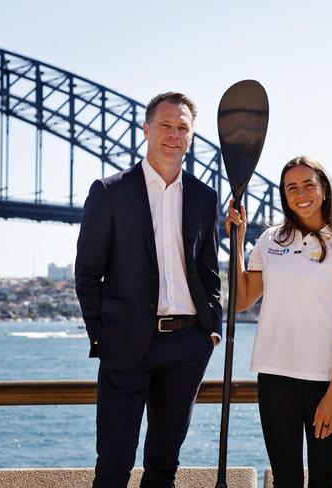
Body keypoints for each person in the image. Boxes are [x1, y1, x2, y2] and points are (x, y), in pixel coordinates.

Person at [75, 92, 222, 488]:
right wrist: (102, 333)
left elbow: (209, 270)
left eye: (182, 128)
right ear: (145, 130)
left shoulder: (204, 197)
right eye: (165, 125)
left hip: (187, 346)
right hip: (127, 345)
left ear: (190, 136)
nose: (174, 135)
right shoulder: (110, 192)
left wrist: (211, 328)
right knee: (114, 464)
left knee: (163, 465)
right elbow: (87, 273)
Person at [225, 156, 332, 488]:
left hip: (325, 382)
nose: (301, 193)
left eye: (308, 184)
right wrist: (237, 240)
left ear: (323, 189)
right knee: (285, 479)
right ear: (283, 194)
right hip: (275, 377)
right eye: (292, 187)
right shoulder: (270, 240)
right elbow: (243, 299)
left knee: (322, 478)